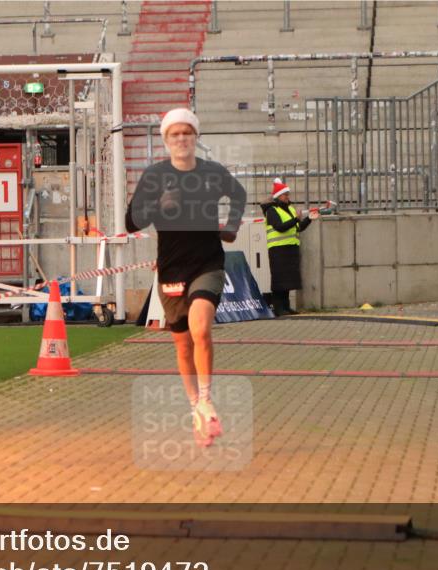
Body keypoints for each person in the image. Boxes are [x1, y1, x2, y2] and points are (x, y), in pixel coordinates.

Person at [126, 108, 247, 447]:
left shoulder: (212, 172)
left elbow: (238, 195)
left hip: (207, 264)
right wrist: (157, 208)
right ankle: (196, 408)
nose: (181, 139)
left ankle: (206, 398)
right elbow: (130, 222)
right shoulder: (155, 177)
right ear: (166, 140)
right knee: (182, 344)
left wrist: (232, 227)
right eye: (174, 134)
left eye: (186, 133)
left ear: (196, 137)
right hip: (171, 270)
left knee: (201, 329)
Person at [261, 178, 318, 316]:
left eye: (288, 194)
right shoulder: (272, 210)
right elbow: (280, 227)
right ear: (278, 196)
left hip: (290, 249)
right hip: (278, 249)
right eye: (285, 194)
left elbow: (297, 228)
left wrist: (309, 219)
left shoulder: (290, 209)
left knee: (287, 280)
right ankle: (279, 308)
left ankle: (286, 307)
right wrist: (295, 220)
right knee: (279, 279)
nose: (288, 197)